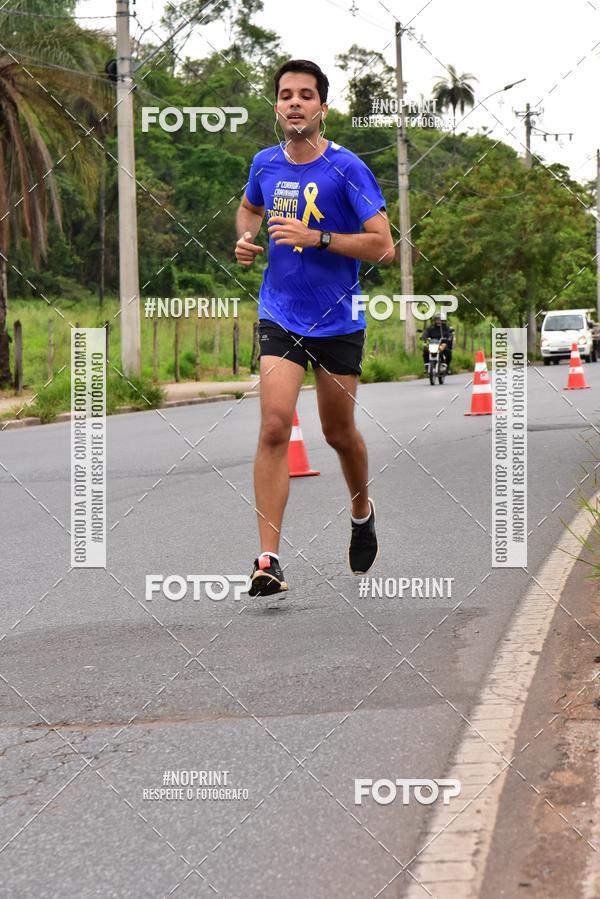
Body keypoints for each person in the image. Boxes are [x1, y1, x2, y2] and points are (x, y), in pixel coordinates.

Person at [234, 58, 395, 597]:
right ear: (277, 106)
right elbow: (249, 209)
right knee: (275, 424)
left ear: (322, 108)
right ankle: (268, 558)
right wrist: (245, 239)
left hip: (338, 319)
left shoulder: (347, 169)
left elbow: (384, 246)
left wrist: (317, 238)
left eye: (306, 95)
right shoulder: (264, 163)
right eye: (286, 95)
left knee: (337, 433)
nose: (295, 102)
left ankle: (360, 511)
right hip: (280, 312)